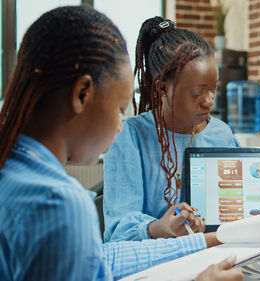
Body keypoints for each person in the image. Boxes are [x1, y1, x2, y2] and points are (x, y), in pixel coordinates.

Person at [0, 6, 242, 281]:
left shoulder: (13, 172)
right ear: (81, 94)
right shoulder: (58, 203)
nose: (120, 125)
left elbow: (105, 259)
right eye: (119, 108)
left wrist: (209, 241)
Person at [103, 16, 240, 242]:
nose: (209, 102)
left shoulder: (223, 134)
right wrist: (158, 228)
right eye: (197, 93)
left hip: (218, 254)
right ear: (163, 88)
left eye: (213, 89)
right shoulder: (129, 137)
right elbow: (118, 233)